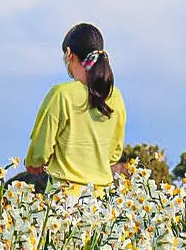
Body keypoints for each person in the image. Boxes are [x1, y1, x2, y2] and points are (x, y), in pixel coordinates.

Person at [7, 23, 126, 196]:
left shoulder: (62, 94)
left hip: (66, 197)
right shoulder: (115, 96)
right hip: (102, 199)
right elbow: (114, 153)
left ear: (69, 54)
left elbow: (40, 149)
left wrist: (35, 163)